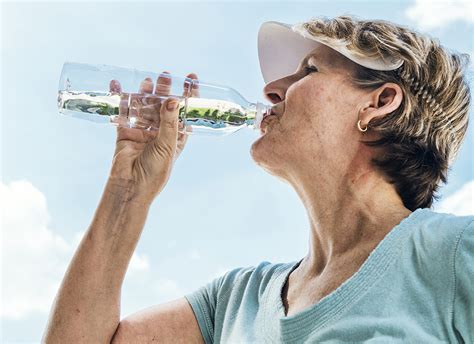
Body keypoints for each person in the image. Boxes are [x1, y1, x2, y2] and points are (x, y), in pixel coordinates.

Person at [42, 15, 473, 343]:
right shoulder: (235, 301)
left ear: (379, 102)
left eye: (308, 70)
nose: (270, 91)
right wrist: (128, 191)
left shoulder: (454, 255)